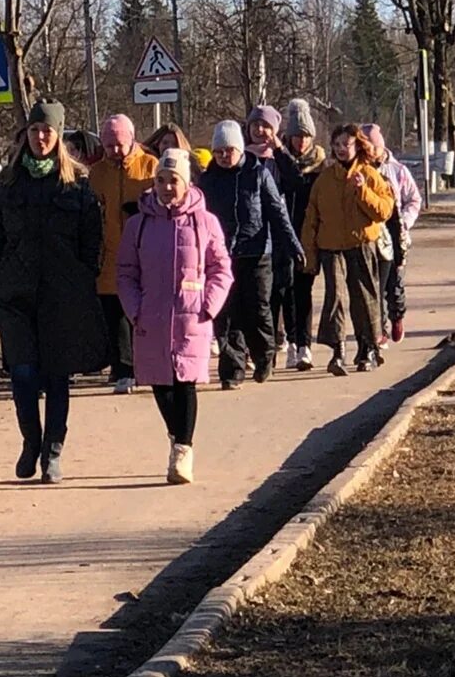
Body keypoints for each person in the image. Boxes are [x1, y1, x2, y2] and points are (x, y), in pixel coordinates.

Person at [0, 98, 105, 484]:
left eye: (48, 130)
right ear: (26, 134)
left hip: (62, 297)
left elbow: (93, 243)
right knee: (23, 373)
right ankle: (30, 441)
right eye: (34, 130)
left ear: (59, 134)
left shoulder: (78, 185)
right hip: (15, 295)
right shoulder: (7, 182)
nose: (41, 136)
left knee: (56, 376)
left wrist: (82, 281)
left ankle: (53, 451)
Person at [117, 149, 233, 484]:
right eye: (161, 181)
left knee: (185, 384)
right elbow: (125, 271)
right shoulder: (138, 224)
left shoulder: (205, 221)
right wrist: (134, 308)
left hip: (191, 317)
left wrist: (208, 306)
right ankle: (176, 436)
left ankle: (183, 449)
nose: (167, 187)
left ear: (187, 183)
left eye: (174, 181)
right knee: (160, 385)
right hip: (150, 317)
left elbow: (221, 269)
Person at [198, 120, 302, 389]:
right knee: (226, 313)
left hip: (256, 253)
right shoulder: (208, 180)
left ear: (240, 149)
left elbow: (277, 213)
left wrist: (293, 245)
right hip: (220, 257)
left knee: (257, 309)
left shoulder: (257, 173)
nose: (223, 156)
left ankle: (264, 355)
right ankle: (231, 371)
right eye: (219, 151)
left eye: (229, 150)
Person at [301, 124, 395, 376]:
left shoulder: (369, 174)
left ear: (358, 146)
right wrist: (309, 255)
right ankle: (337, 350)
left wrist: (363, 190)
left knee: (365, 298)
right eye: (337, 144)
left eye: (347, 144)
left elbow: (384, 211)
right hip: (331, 248)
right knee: (336, 298)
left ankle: (368, 349)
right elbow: (312, 218)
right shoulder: (324, 180)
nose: (342, 149)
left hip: (362, 245)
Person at [89, 114, 158, 394]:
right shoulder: (97, 173)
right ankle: (122, 369)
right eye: (108, 146)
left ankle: (147, 364)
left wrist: (143, 207)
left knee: (141, 314)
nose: (114, 151)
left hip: (144, 255)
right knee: (114, 315)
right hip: (108, 256)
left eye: (118, 145)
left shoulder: (150, 166)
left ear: (131, 140)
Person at [360, 124, 423, 345]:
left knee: (394, 284)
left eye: (370, 147)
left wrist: (404, 222)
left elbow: (414, 200)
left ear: (379, 146)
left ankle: (397, 316)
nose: (368, 152)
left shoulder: (398, 171)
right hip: (370, 237)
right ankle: (380, 330)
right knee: (375, 285)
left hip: (395, 236)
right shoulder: (360, 170)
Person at [279, 99, 328, 370]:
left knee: (304, 292)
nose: (301, 142)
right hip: (283, 239)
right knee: (286, 291)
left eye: (306, 136)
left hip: (308, 238)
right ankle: (291, 343)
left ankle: (305, 345)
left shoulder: (320, 165)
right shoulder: (278, 161)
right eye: (297, 136)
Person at [244, 105, 295, 359]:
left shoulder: (279, 159)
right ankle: (258, 346)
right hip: (251, 233)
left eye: (265, 126)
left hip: (277, 232)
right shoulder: (241, 157)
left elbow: (295, 182)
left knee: (278, 289)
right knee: (255, 293)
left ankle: (278, 335)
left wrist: (279, 150)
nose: (260, 131)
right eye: (255, 125)